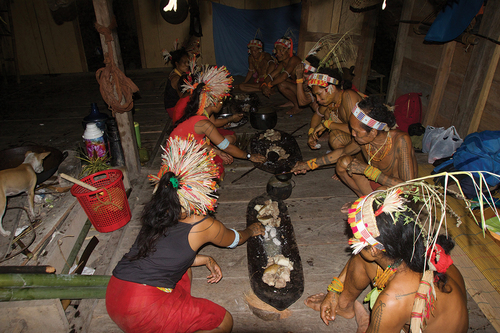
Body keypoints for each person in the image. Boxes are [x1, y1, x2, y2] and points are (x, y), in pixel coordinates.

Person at [106, 137, 265, 333]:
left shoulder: (158, 210)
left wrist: (205, 258)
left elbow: (163, 254)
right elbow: (234, 239)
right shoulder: (202, 224)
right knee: (224, 321)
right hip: (142, 311)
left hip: (115, 296)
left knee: (184, 272)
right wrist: (251, 230)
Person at [304, 182, 470, 333]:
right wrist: (334, 291)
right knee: (363, 259)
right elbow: (363, 256)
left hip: (409, 314)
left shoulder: (392, 301)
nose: (352, 240)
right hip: (411, 311)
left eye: (356, 239)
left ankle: (366, 324)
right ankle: (344, 305)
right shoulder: (409, 251)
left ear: (375, 250)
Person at [292, 96, 418, 211]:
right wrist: (309, 164)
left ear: (373, 132)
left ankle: (368, 206)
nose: (352, 134)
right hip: (375, 185)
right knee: (343, 162)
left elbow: (410, 188)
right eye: (352, 129)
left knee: (381, 193)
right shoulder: (364, 139)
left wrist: (368, 170)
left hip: (395, 194)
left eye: (357, 131)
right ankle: (364, 201)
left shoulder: (400, 141)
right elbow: (342, 152)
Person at [170, 65, 265, 178]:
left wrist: (218, 152)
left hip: (183, 153)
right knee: (219, 174)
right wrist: (249, 156)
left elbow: (197, 142)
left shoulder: (199, 112)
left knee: (220, 162)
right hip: (179, 161)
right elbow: (227, 147)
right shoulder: (204, 123)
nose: (222, 103)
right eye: (221, 100)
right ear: (215, 102)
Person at [307, 67, 362, 152]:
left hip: (365, 141)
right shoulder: (331, 101)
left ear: (331, 88)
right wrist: (311, 133)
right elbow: (317, 115)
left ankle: (347, 160)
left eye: (319, 94)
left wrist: (327, 124)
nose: (317, 99)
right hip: (355, 140)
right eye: (315, 95)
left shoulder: (348, 96)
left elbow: (357, 129)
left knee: (336, 138)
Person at [260, 37, 302, 115]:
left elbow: (283, 76)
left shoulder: (294, 59)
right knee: (277, 77)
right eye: (277, 51)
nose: (278, 54)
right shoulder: (282, 63)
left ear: (289, 51)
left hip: (305, 90)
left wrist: (269, 85)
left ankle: (297, 106)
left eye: (281, 51)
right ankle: (293, 101)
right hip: (298, 87)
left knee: (281, 83)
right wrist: (264, 85)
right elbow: (271, 75)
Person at [164, 48, 191, 123]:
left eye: (188, 62)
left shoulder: (176, 73)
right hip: (174, 109)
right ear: (177, 63)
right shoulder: (176, 78)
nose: (187, 65)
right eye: (184, 62)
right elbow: (183, 97)